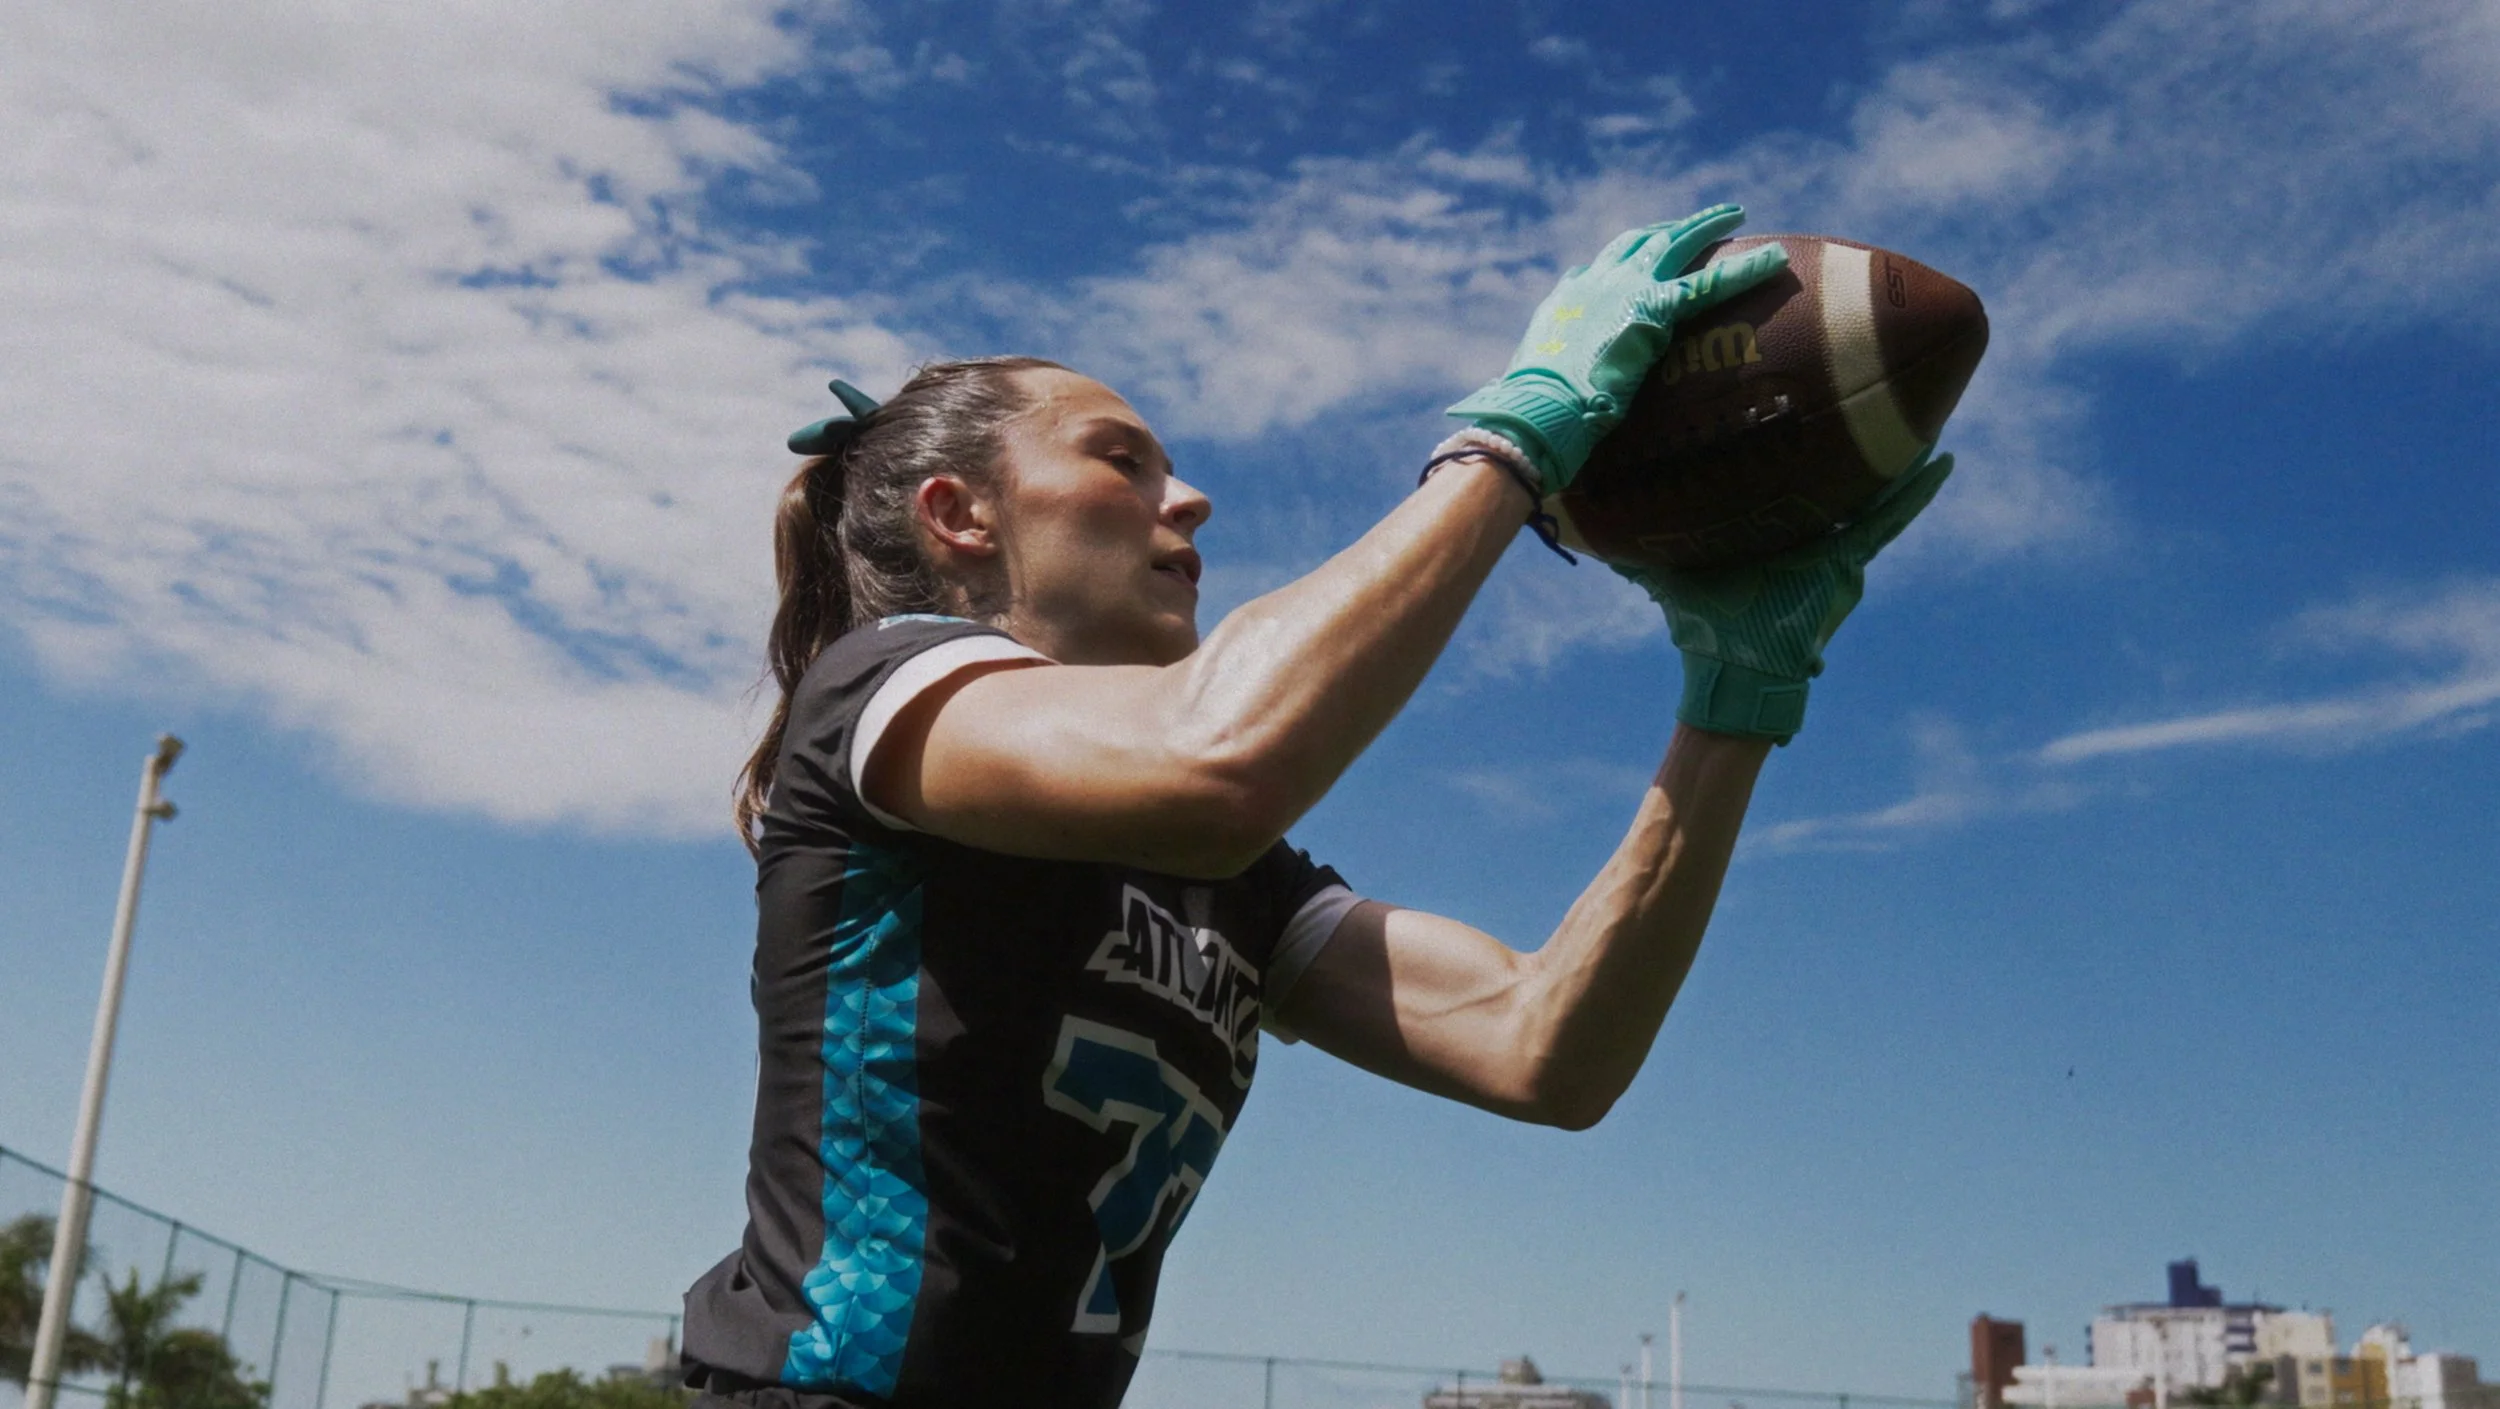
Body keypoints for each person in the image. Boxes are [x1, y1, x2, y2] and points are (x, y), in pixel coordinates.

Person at [680, 205, 1952, 1409]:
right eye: (1121, 459)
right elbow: (1220, 758)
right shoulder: (883, 688)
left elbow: (1543, 1045)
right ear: (959, 515)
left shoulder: (1230, 873)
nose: (1190, 497)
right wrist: (1512, 437)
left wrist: (1732, 706)